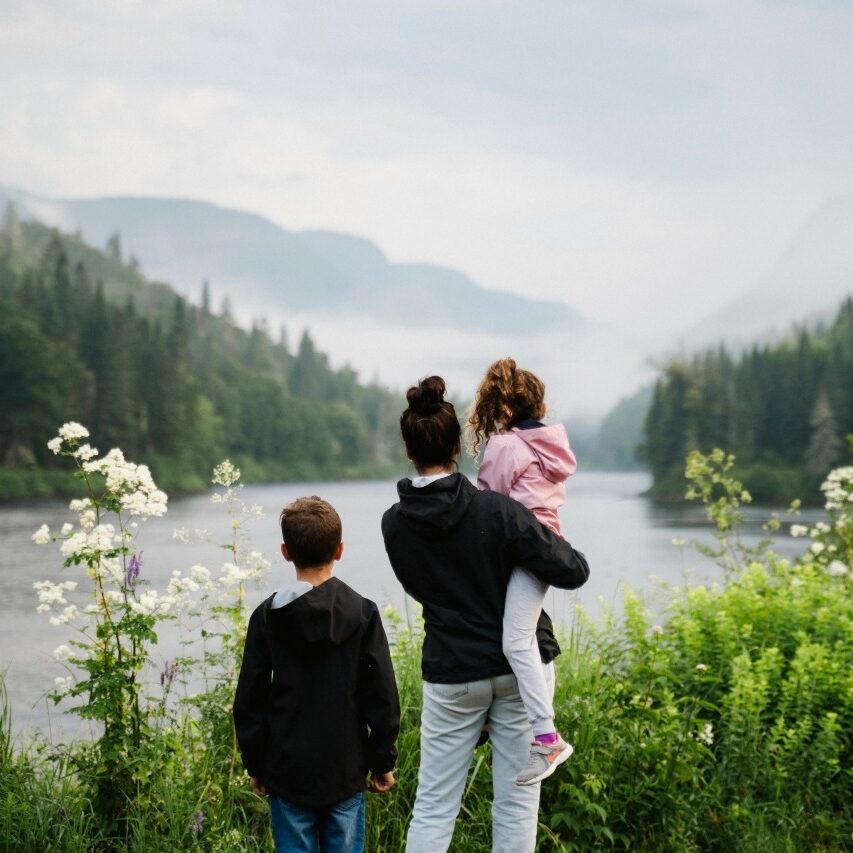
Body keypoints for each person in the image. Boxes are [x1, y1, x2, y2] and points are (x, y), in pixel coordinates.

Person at [381, 376, 589, 853]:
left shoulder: (394, 523)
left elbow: (420, 587)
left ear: (408, 448)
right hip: (519, 669)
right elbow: (572, 571)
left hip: (451, 670)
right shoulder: (498, 511)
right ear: (459, 445)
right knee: (517, 804)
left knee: (434, 806)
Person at [234, 496, 400, 853]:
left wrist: (256, 763)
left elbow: (250, 699)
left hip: (287, 769)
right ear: (339, 550)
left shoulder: (267, 617)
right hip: (346, 767)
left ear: (285, 551)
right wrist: (382, 761)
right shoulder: (363, 613)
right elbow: (382, 696)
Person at [468, 357, 578, 785]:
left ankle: (548, 738)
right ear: (540, 406)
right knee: (510, 627)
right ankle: (491, 720)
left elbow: (487, 500)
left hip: (523, 549)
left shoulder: (505, 446)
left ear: (503, 407)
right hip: (547, 547)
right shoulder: (551, 445)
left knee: (516, 640)